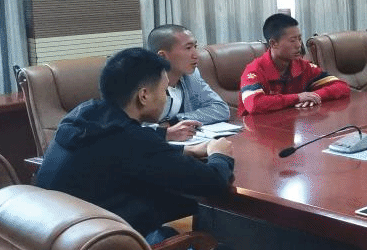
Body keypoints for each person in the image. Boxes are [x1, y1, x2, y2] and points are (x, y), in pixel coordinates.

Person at [35, 48, 235, 238]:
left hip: (60, 241)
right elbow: (213, 183)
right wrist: (219, 154)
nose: (166, 99)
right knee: (223, 247)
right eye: (165, 91)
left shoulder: (84, 114)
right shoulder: (132, 141)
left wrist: (185, 150)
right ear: (144, 95)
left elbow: (123, 147)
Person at [239, 13, 351, 115]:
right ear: (273, 43)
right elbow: (254, 104)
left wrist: (315, 96)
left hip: (290, 123)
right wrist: (297, 98)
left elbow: (342, 86)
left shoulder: (302, 66)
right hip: (257, 128)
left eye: (300, 39)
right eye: (292, 40)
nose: (298, 45)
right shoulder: (255, 70)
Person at [147, 24, 230, 141]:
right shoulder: (139, 83)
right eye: (188, 48)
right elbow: (126, 130)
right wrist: (164, 133)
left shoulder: (191, 75)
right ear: (162, 56)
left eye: (195, 47)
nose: (196, 55)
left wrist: (176, 121)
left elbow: (220, 109)